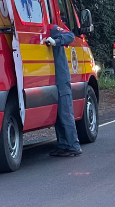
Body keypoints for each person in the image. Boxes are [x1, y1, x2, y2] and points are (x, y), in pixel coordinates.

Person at [43, 24, 82, 157]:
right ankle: (63, 145)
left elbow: (70, 36)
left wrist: (57, 42)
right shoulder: (40, 31)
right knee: (58, 115)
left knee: (65, 113)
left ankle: (73, 145)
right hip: (52, 78)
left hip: (61, 77)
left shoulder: (51, 28)